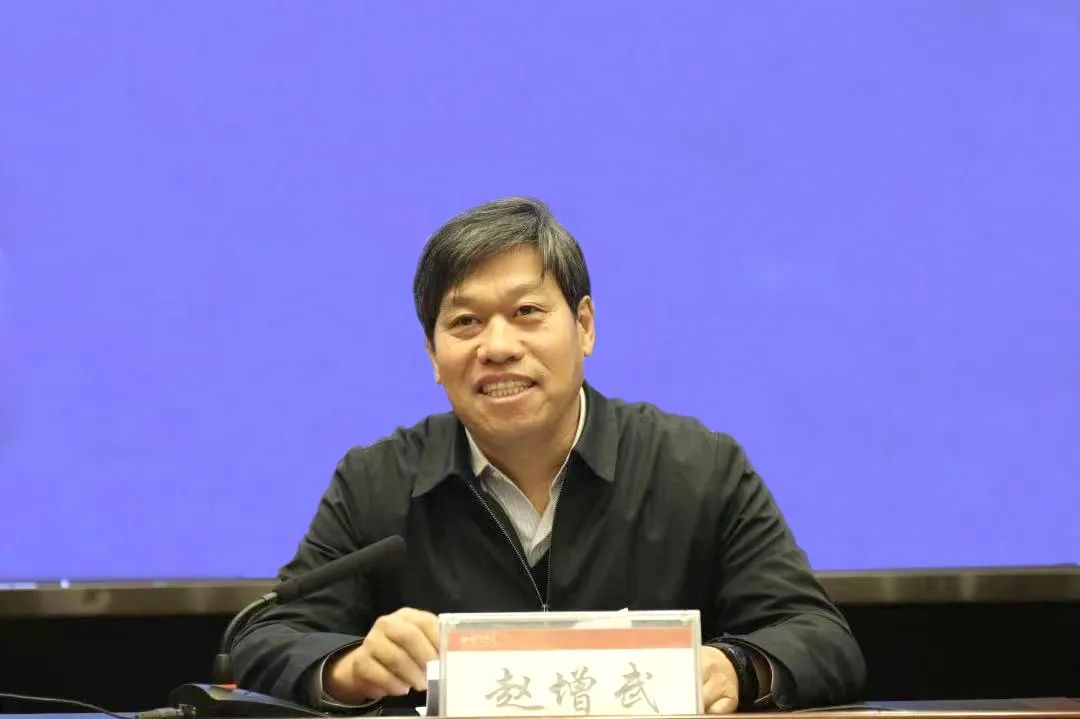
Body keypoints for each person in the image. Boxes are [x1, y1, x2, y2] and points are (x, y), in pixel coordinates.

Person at [233, 197, 866, 713]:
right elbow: (265, 637)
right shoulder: (377, 480)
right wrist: (347, 668)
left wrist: (735, 668)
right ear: (433, 355)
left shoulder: (696, 467)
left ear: (584, 326)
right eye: (465, 323)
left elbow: (819, 638)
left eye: (527, 312)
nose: (497, 346)